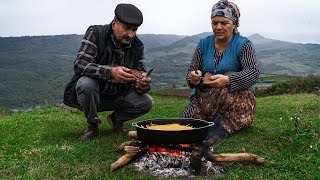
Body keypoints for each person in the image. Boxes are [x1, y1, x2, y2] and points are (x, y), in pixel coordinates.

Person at [63, 3, 153, 140]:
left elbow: (140, 74)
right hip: (93, 96)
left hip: (118, 95)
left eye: (134, 30)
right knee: (86, 84)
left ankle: (116, 119)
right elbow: (80, 65)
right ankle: (92, 126)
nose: (131, 34)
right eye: (126, 28)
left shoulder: (137, 46)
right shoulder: (96, 33)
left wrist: (142, 84)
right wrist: (110, 72)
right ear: (114, 24)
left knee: (147, 102)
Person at [183, 0, 259, 139]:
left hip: (232, 98)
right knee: (188, 120)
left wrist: (228, 80)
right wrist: (193, 77)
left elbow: (253, 72)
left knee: (218, 126)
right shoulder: (203, 44)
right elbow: (191, 72)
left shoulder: (244, 45)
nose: (218, 27)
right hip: (204, 100)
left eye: (224, 23)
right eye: (215, 23)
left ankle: (223, 125)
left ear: (234, 24)